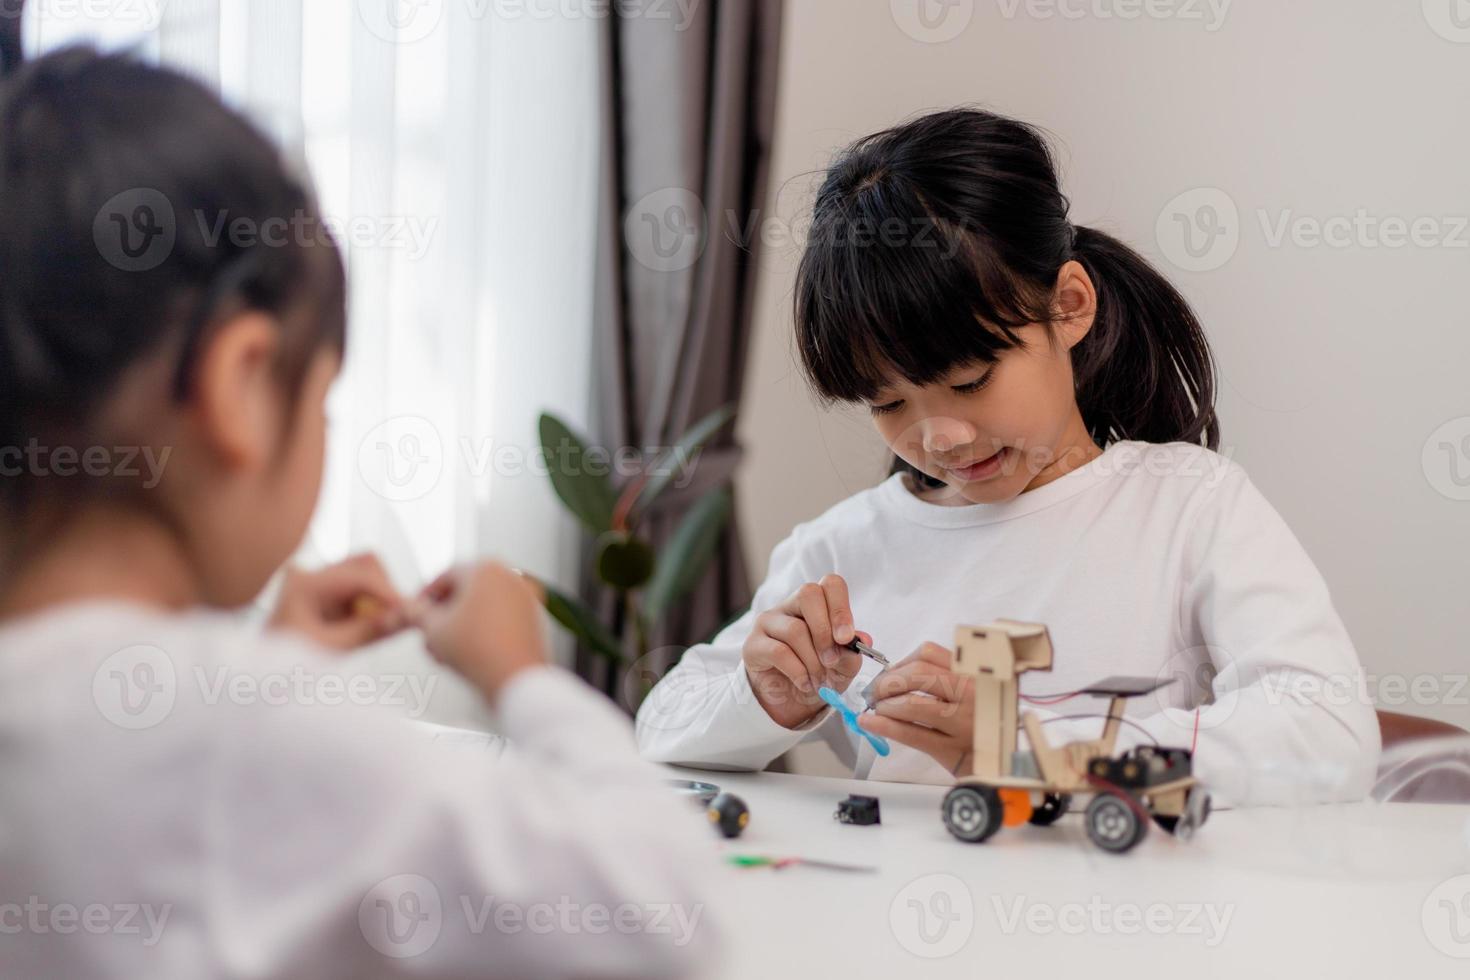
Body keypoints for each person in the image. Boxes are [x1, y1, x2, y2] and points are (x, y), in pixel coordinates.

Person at [0, 18, 717, 978]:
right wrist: (522, 675)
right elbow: (659, 911)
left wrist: (268, 671)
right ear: (243, 385)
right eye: (324, 400)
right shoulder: (255, 738)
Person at [636, 107, 1380, 807]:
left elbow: (1328, 735)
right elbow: (662, 724)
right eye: (890, 404)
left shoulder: (1189, 506)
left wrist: (1025, 750)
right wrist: (770, 696)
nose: (939, 437)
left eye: (971, 381)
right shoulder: (842, 551)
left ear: (1069, 306)